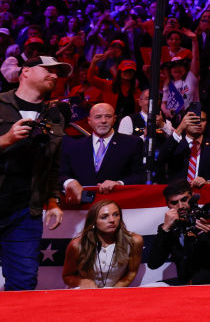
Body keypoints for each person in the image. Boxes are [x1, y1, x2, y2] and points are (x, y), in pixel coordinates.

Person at [0, 55, 68, 290]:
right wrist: (4, 141)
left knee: (23, 283)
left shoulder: (55, 116)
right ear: (26, 72)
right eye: (48, 69)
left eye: (57, 72)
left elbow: (53, 166)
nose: (55, 75)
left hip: (25, 212)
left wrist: (53, 199)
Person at [145, 180, 210, 285]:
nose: (180, 206)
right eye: (174, 203)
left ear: (193, 197)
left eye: (184, 199)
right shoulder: (169, 228)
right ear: (167, 204)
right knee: (151, 288)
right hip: (185, 286)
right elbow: (153, 264)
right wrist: (166, 228)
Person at [59, 103, 146, 205]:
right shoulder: (73, 145)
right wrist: (69, 182)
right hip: (81, 207)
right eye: (98, 117)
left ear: (114, 119)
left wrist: (119, 183)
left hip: (117, 204)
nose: (103, 121)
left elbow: (140, 175)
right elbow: (61, 174)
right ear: (89, 121)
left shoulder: (132, 143)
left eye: (108, 116)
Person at [61, 199, 143, 288]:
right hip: (84, 294)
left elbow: (132, 272)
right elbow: (67, 276)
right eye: (104, 217)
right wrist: (81, 282)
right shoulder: (77, 245)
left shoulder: (134, 241)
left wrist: (116, 290)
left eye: (116, 215)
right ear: (93, 222)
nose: (112, 220)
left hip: (115, 294)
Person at [159, 110, 210, 187]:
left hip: (205, 195)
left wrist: (208, 183)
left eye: (202, 120)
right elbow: (161, 158)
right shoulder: (175, 144)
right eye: (193, 119)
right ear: (184, 121)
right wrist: (180, 128)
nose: (198, 123)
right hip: (178, 194)